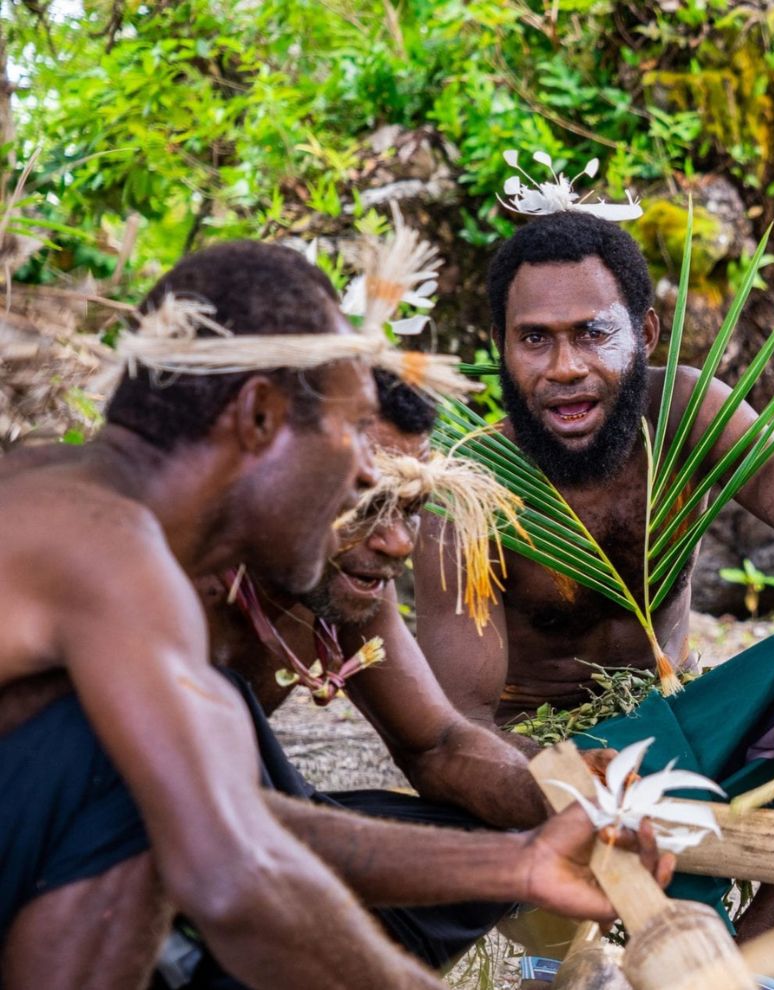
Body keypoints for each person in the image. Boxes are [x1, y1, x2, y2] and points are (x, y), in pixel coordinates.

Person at [0, 242, 662, 990]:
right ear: (257, 416)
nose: (359, 474)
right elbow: (234, 865)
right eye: (350, 433)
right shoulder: (111, 550)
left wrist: (524, 858)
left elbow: (243, 819)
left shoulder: (83, 506)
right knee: (173, 768)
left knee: (163, 776)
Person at [415, 205, 774, 946]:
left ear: (646, 334)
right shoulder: (468, 483)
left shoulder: (684, 410)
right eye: (535, 339)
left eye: (594, 333)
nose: (565, 368)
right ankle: (558, 931)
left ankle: (760, 940)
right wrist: (583, 793)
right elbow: (457, 730)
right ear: (500, 347)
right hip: (556, 773)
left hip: (693, 728)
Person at [155, 369, 554, 989]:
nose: (397, 542)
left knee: (481, 830)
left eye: (413, 509)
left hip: (250, 834)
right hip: (138, 844)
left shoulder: (344, 583)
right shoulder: (167, 567)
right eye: (367, 504)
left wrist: (555, 798)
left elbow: (436, 744)